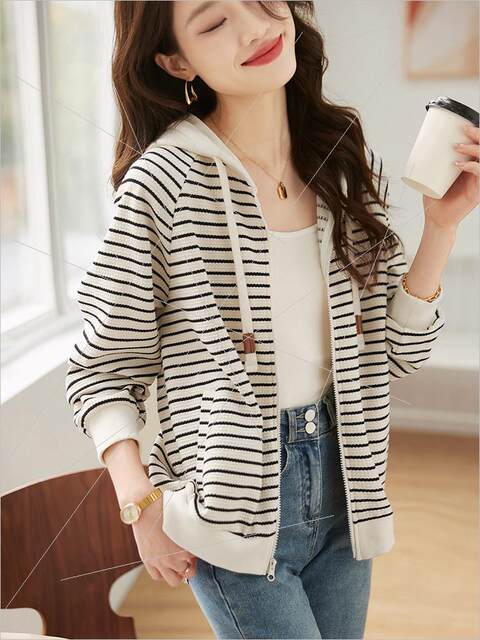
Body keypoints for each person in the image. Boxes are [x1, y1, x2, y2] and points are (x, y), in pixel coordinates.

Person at [65, 1, 479, 638]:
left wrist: (442, 228)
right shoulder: (162, 184)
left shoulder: (339, 158)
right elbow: (101, 371)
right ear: (175, 61)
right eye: (214, 23)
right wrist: (140, 505)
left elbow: (397, 352)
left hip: (349, 489)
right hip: (227, 503)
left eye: (260, 0)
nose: (256, 27)